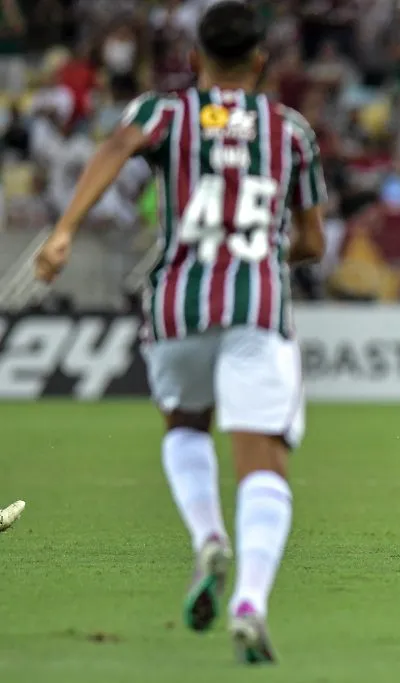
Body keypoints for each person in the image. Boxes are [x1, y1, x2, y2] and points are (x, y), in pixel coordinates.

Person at [33, 1, 326, 664]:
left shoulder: (165, 112)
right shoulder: (292, 132)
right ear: (260, 63)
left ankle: (206, 535)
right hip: (255, 306)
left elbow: (115, 146)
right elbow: (311, 239)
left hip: (176, 305)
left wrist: (63, 232)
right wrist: (267, 245)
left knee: (186, 423)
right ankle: (249, 600)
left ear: (193, 61)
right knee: (262, 458)